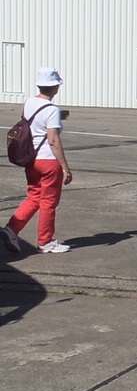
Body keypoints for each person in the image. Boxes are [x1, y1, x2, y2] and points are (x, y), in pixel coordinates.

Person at [2, 67, 74, 254]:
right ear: (55, 87)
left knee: (34, 196)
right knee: (49, 201)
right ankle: (45, 241)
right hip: (48, 161)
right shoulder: (51, 110)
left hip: (31, 159)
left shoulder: (29, 103)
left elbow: (35, 123)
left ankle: (11, 229)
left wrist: (57, 117)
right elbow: (53, 140)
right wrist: (65, 167)